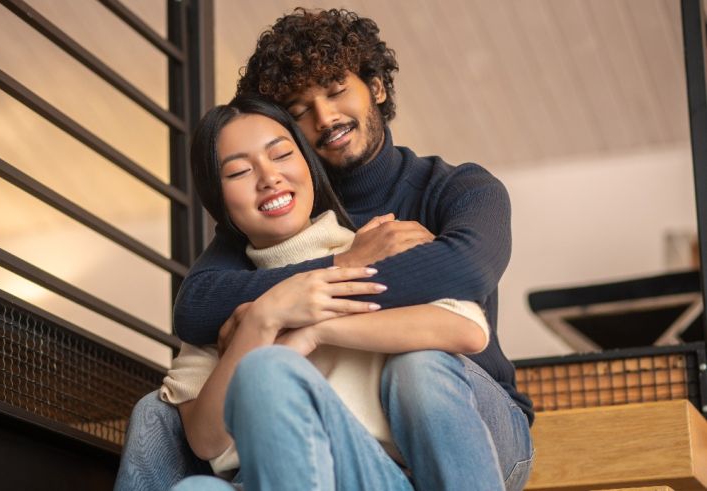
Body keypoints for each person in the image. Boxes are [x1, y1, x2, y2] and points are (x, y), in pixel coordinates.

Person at [115, 7, 533, 491]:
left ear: (375, 87)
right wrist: (330, 273)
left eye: (336, 90)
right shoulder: (271, 219)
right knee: (158, 417)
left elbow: (462, 271)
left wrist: (308, 315)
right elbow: (195, 308)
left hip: (475, 422)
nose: (325, 117)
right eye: (298, 110)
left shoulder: (457, 189)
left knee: (416, 366)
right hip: (341, 444)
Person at [162, 96, 491, 490]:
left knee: (268, 370)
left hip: (371, 473)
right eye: (239, 172)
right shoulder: (226, 301)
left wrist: (314, 329)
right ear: (219, 201)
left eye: (281, 155)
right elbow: (204, 440)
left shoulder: (375, 246)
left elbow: (467, 329)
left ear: (307, 164)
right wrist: (264, 319)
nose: (269, 178)